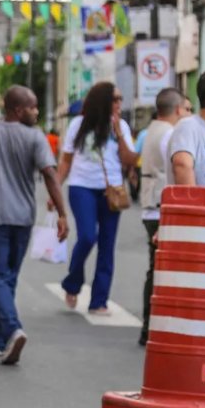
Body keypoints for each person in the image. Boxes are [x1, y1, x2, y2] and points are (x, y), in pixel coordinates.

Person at [0, 85, 68, 365]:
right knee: (7, 277)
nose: (37, 112)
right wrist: (62, 213)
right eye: (32, 107)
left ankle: (11, 329)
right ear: (16, 109)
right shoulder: (35, 137)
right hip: (23, 218)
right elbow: (49, 174)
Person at [57, 82, 138, 314]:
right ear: (102, 101)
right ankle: (73, 282)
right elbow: (66, 160)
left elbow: (129, 160)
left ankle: (99, 301)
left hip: (111, 191)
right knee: (87, 237)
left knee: (107, 245)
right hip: (82, 187)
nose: (119, 103)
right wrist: (56, 190)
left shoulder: (120, 125)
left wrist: (120, 133)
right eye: (115, 99)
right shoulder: (78, 125)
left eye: (121, 99)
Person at [137, 88, 191, 346]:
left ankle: (149, 326)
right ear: (178, 109)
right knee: (162, 270)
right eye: (187, 110)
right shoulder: (170, 134)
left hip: (151, 203)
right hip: (162, 205)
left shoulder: (151, 131)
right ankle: (154, 326)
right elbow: (177, 169)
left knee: (155, 268)